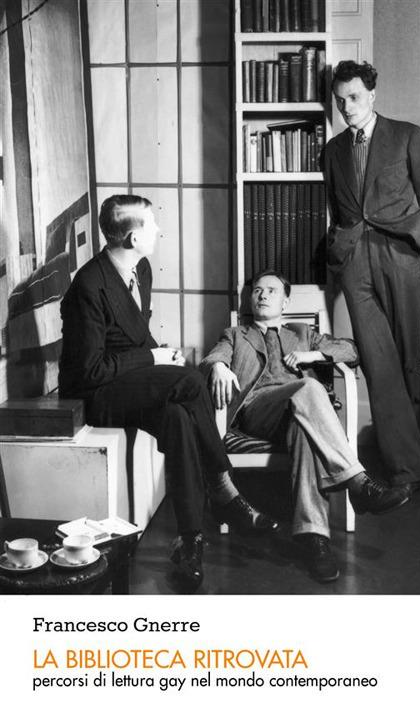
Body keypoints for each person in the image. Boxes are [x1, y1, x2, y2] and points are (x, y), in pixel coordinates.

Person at [58, 194, 277, 591]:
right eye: (151, 223)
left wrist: (161, 355)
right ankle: (224, 489)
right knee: (190, 381)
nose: (158, 229)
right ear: (132, 238)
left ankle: (190, 542)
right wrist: (154, 358)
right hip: (95, 394)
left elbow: (131, 336)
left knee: (177, 416)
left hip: (128, 384)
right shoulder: (88, 286)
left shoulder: (140, 269)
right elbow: (89, 372)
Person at [199, 270, 410, 583]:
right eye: (257, 290)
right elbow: (212, 358)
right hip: (258, 411)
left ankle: (315, 540)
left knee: (303, 429)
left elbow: (351, 350)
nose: (262, 295)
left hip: (300, 413)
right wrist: (218, 366)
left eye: (271, 290)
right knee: (310, 387)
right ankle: (358, 483)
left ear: (285, 301)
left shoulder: (302, 333)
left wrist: (312, 354)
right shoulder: (235, 334)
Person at [323, 60, 420, 493]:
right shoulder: (332, 151)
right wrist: (338, 248)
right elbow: (338, 209)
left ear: (372, 95)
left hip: (400, 255)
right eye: (340, 100)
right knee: (378, 364)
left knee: (408, 361)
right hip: (354, 262)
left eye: (354, 97)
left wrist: (419, 239)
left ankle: (412, 459)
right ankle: (406, 469)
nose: (347, 107)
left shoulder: (408, 135)